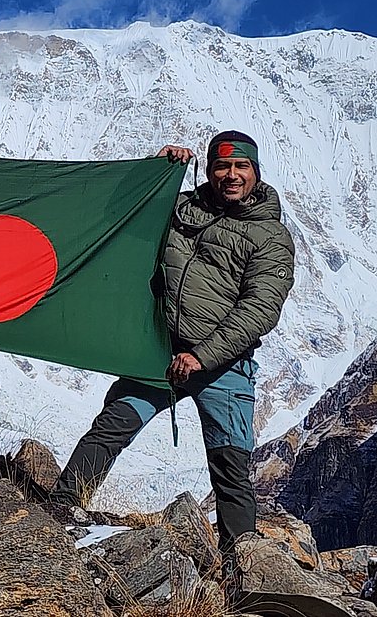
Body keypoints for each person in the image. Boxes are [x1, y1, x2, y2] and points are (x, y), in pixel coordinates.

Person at [50, 130, 295, 550]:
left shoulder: (270, 238)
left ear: (256, 172)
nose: (231, 175)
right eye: (222, 166)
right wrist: (155, 172)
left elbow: (260, 310)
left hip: (223, 365)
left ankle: (243, 571)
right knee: (113, 426)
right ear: (209, 169)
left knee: (230, 468)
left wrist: (202, 356)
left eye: (241, 167)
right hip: (160, 355)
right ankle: (57, 515)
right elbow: (123, 216)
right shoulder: (180, 209)